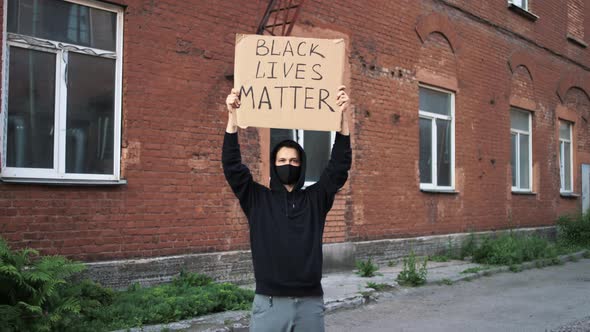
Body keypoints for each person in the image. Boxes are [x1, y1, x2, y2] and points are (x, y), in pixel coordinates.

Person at [222, 86, 352, 332]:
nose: (288, 165)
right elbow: (232, 167)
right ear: (274, 165)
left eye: (294, 161)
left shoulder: (316, 198)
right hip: (269, 304)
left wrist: (343, 118)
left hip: (309, 305)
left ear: (301, 165)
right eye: (282, 161)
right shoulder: (257, 199)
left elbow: (338, 166)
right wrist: (232, 117)